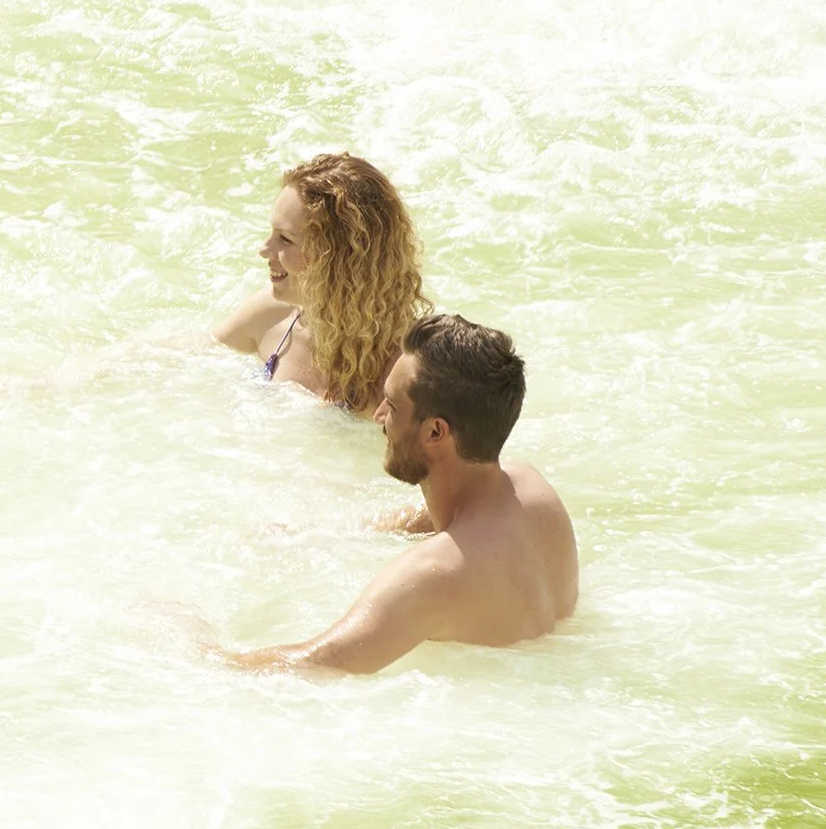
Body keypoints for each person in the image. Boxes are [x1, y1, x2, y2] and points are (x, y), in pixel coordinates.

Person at [219, 314, 575, 674]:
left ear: (436, 432)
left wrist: (194, 646)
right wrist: (323, 532)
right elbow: (434, 520)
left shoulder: (433, 575)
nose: (378, 416)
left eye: (392, 405)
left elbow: (319, 664)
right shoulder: (533, 490)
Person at [213, 152, 428, 411]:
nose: (264, 250)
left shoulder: (407, 368)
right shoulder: (273, 313)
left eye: (285, 239)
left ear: (337, 259)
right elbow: (193, 356)